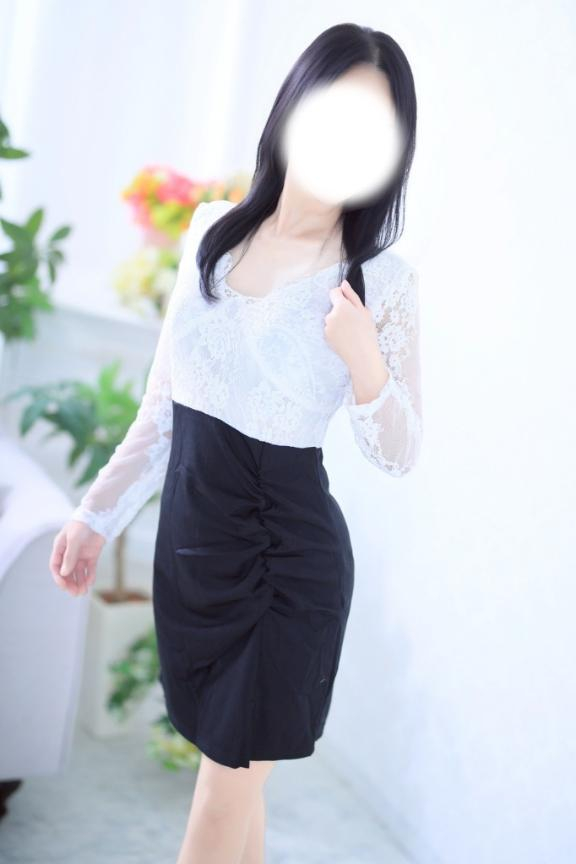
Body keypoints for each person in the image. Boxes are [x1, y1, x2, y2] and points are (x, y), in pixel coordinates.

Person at [49, 23, 422, 864]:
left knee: (218, 804)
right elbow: (162, 412)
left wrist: (366, 361)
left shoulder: (379, 280)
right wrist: (94, 516)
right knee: (235, 801)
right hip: (194, 558)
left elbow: (400, 452)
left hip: (288, 571)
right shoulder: (212, 233)